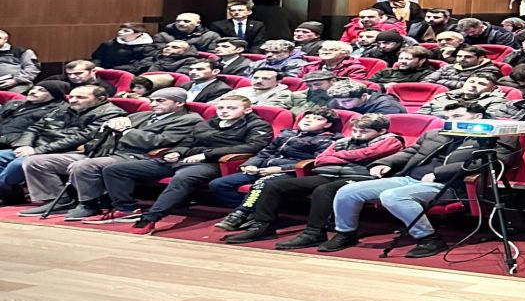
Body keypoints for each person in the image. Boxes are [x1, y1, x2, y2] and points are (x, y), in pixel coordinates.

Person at [316, 111, 520, 257]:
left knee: (393, 196)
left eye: (457, 116)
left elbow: (494, 162)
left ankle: (429, 239)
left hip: (448, 185)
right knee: (348, 190)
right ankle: (346, 233)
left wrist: (438, 173)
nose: (449, 121)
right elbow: (410, 152)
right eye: (447, 117)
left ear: (477, 116)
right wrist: (385, 163)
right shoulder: (435, 133)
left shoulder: (498, 136)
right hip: (408, 178)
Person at [221, 114, 406, 246]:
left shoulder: (392, 140)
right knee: (274, 185)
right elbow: (321, 159)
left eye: (364, 131)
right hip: (327, 174)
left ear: (382, 131)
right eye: (355, 130)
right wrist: (341, 157)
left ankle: (314, 233)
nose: (357, 134)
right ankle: (263, 227)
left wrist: (338, 156)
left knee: (323, 191)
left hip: (360, 177)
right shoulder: (343, 141)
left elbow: (366, 154)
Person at [99, 93, 276, 229]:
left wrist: (207, 154)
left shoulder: (257, 125)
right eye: (221, 107)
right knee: (116, 169)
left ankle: (151, 217)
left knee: (182, 177)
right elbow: (188, 142)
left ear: (247, 110)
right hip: (184, 159)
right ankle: (126, 209)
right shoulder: (209, 123)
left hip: (215, 163)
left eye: (231, 108)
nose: (224, 111)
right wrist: (176, 152)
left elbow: (253, 146)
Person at [47, 87, 208, 222]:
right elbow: (112, 128)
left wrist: (126, 131)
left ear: (179, 103)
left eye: (160, 101)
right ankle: (94, 202)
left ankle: (90, 205)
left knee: (84, 166)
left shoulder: (188, 119)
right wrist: (109, 124)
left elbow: (158, 141)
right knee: (74, 163)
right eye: (152, 100)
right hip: (115, 152)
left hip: (146, 156)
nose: (153, 104)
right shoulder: (141, 115)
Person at [210, 110, 342, 228]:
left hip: (291, 172)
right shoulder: (287, 134)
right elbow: (266, 152)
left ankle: (240, 214)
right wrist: (250, 164)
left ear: (327, 125)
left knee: (261, 184)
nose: (309, 120)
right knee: (219, 184)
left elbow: (316, 161)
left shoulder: (327, 140)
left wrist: (279, 169)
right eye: (307, 117)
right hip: (262, 168)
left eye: (317, 119)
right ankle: (254, 212)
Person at [11, 83, 121, 215]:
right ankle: (56, 200)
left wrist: (38, 150)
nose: (73, 100)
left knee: (34, 161)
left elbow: (82, 137)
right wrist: (24, 145)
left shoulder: (111, 113)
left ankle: (74, 202)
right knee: (17, 157)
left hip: (86, 153)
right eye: (71, 97)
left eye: (80, 97)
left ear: (100, 99)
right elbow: (34, 128)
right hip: (48, 147)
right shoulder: (63, 109)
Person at [0, 80, 70, 199]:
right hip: (14, 142)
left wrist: (27, 146)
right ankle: (10, 194)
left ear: (54, 95)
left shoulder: (57, 110)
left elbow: (36, 132)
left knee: (17, 164)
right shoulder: (14, 104)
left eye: (41, 90)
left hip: (22, 143)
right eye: (34, 88)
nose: (33, 92)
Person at [91, 24, 157, 72]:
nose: (120, 32)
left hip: (129, 73)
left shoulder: (147, 47)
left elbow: (144, 64)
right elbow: (97, 57)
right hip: (103, 70)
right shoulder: (109, 43)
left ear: (138, 33)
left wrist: (114, 70)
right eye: (120, 30)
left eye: (126, 31)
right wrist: (96, 67)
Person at [154, 12, 220, 54]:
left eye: (186, 21)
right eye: (178, 21)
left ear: (198, 23)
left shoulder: (211, 36)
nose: (181, 23)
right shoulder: (162, 36)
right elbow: (157, 53)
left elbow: (212, 55)